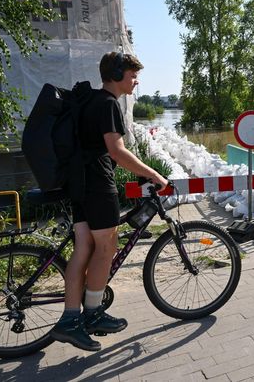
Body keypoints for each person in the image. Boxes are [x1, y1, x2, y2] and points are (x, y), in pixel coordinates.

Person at [50, 52, 169, 351]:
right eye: (132, 75)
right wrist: (154, 174)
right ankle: (92, 314)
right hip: (97, 185)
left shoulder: (90, 101)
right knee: (107, 247)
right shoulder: (107, 104)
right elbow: (116, 151)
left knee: (84, 249)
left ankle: (69, 320)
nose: (136, 81)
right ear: (116, 74)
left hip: (78, 182)